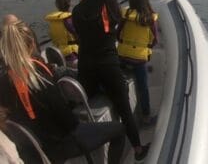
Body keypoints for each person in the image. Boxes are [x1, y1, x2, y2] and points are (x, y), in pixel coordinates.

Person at [0, 19, 126, 164]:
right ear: (31, 45)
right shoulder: (41, 75)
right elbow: (68, 123)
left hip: (31, 151)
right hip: (60, 144)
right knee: (119, 130)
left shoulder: (3, 82)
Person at [72, 0, 149, 162]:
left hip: (86, 68)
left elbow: (80, 34)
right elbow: (112, 26)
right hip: (108, 66)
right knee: (123, 107)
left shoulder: (77, 11)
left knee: (82, 99)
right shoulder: (113, 9)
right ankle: (138, 149)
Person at [117, 0, 159, 125]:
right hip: (139, 60)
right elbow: (154, 40)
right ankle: (146, 116)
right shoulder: (150, 19)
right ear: (145, 2)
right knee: (143, 88)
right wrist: (146, 49)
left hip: (122, 57)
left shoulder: (125, 15)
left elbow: (118, 34)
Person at [45, 0, 79, 68]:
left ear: (56, 5)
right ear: (69, 3)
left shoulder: (52, 21)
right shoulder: (69, 20)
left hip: (59, 56)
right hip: (73, 58)